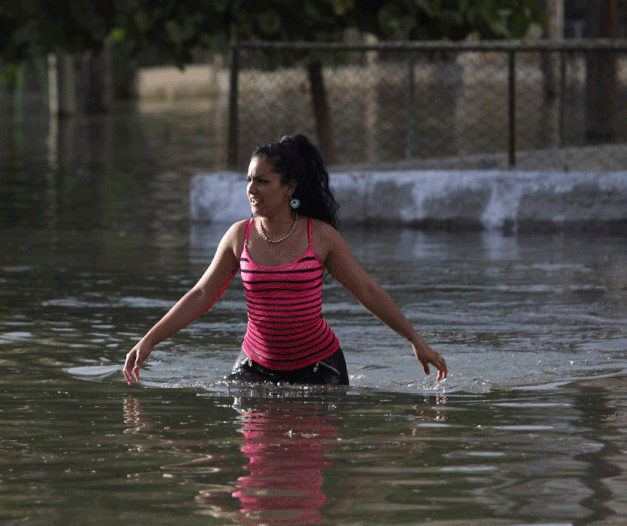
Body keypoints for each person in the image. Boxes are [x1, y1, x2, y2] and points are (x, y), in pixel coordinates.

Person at [123, 134, 447, 386]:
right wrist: (149, 340)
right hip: (255, 367)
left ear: (289, 187)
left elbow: (368, 291)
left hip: (320, 369)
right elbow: (202, 294)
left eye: (262, 181)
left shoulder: (320, 237)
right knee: (256, 464)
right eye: (249, 179)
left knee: (304, 460)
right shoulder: (239, 236)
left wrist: (415, 341)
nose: (252, 189)